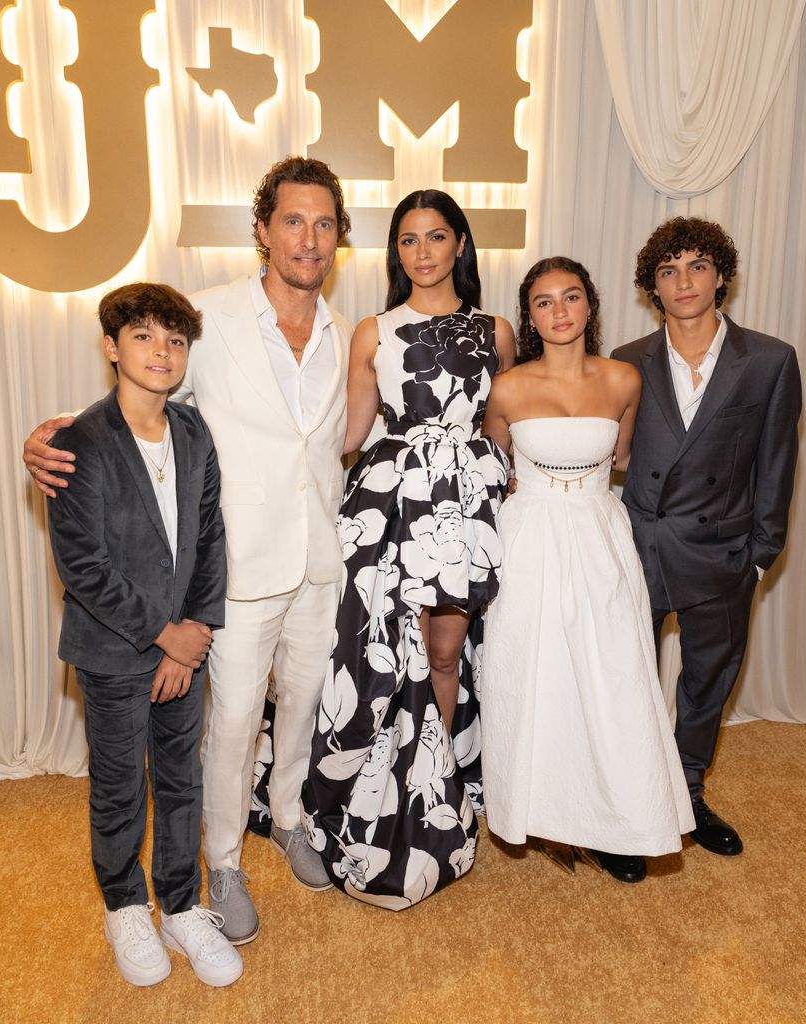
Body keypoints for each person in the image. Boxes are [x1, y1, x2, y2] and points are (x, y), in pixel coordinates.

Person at [24, 157, 353, 943]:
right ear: (263, 230)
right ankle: (223, 861)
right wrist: (56, 432)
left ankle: (290, 816)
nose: (307, 237)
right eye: (292, 220)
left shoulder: (346, 330)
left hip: (317, 560)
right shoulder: (210, 317)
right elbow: (145, 385)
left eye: (323, 223)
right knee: (233, 721)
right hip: (235, 566)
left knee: (301, 707)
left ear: (339, 238)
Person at [301, 190, 515, 909]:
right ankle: (377, 788)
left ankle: (441, 786)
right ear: (395, 253)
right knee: (387, 656)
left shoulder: (496, 330)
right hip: (388, 510)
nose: (421, 253)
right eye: (406, 241)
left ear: (459, 243)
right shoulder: (374, 331)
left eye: (434, 237)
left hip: (466, 512)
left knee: (448, 652)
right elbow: (350, 434)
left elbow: (503, 429)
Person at [45, 283, 242, 986]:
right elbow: (83, 566)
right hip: (115, 649)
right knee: (121, 784)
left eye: (175, 340)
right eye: (143, 336)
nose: (161, 351)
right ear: (110, 347)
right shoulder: (82, 441)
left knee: (181, 777)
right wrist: (164, 635)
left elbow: (209, 537)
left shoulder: (193, 433)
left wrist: (194, 630)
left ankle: (182, 904)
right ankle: (124, 903)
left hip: (185, 643)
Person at [480, 257, 694, 883]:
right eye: (544, 302)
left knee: (613, 679)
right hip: (529, 539)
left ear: (590, 305)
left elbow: (621, 455)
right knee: (535, 675)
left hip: (600, 536)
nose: (559, 311)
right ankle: (542, 813)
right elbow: (497, 463)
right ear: (531, 315)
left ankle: (619, 822)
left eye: (571, 297)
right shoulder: (509, 388)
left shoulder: (625, 379)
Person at [611, 217, 801, 863]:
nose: (683, 280)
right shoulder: (626, 360)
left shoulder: (769, 360)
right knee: (626, 682)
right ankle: (628, 810)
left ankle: (688, 793)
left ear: (720, 275)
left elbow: (775, 462)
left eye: (696, 265)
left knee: (704, 685)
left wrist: (759, 556)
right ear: (651, 287)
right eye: (667, 270)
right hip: (640, 547)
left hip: (721, 554)